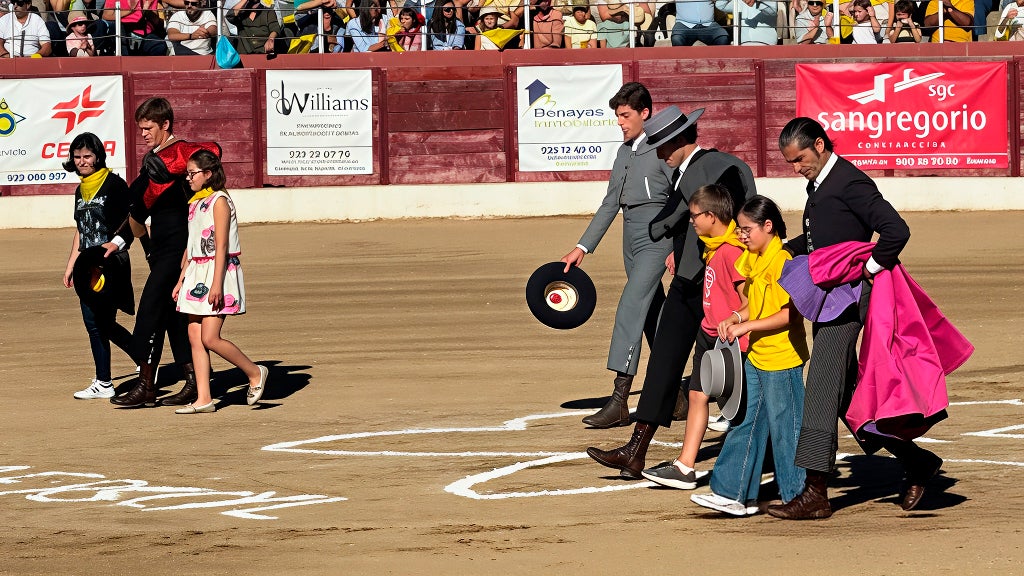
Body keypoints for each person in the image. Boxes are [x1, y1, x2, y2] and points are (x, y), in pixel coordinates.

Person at [767, 117, 942, 519]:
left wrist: (870, 270)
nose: (797, 168)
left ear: (820, 144)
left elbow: (895, 230)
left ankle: (815, 492)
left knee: (821, 388)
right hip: (830, 297)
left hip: (846, 300)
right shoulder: (825, 183)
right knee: (845, 396)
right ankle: (915, 461)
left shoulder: (850, 181)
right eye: (791, 163)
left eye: (800, 159)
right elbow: (823, 240)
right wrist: (782, 249)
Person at [586, 105, 757, 479]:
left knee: (722, 369)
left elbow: (670, 222)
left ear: (681, 140)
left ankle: (754, 451)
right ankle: (636, 450)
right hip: (696, 279)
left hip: (718, 283)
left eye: (663, 145)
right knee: (672, 360)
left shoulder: (706, 170)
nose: (659, 153)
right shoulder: (721, 166)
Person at [562, 82, 674, 430]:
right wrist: (583, 246)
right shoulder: (624, 152)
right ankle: (676, 396)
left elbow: (683, 199)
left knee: (629, 308)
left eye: (625, 115)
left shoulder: (663, 149)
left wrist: (678, 246)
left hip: (657, 238)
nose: (621, 122)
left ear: (645, 113)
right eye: (617, 116)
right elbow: (611, 202)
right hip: (631, 238)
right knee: (653, 316)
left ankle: (620, 399)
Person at [690, 195, 809, 516]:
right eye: (740, 230)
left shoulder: (783, 262)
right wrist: (737, 318)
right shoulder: (754, 258)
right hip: (757, 354)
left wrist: (747, 325)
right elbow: (750, 305)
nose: (741, 236)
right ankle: (732, 492)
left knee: (787, 428)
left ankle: (797, 494)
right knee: (744, 420)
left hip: (783, 358)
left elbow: (789, 316)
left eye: (747, 230)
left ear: (767, 226)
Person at [103, 97, 222, 409]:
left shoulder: (178, 151)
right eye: (140, 128)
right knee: (172, 317)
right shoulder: (152, 158)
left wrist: (172, 167)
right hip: (159, 246)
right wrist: (117, 242)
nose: (142, 133)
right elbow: (138, 208)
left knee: (150, 312)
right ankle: (193, 379)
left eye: (148, 127)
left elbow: (212, 152)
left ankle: (146, 384)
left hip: (179, 245)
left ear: (165, 124)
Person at [639, 184, 747, 490]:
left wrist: (735, 321)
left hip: (731, 342)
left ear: (712, 216)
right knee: (698, 395)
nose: (691, 221)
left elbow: (749, 301)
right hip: (708, 334)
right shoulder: (712, 246)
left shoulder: (732, 252)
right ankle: (685, 466)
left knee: (741, 407)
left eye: (695, 215)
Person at [171, 150, 268, 414]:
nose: (188, 178)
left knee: (210, 337)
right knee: (194, 336)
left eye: (192, 173)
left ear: (208, 174)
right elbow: (190, 247)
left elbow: (222, 245)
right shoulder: (195, 202)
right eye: (187, 174)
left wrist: (216, 285)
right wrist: (181, 280)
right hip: (195, 273)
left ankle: (255, 372)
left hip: (217, 272)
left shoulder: (220, 201)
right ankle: (204, 398)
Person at [62, 133, 136, 400]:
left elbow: (132, 220)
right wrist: (71, 264)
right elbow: (80, 231)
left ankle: (105, 381)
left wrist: (114, 246)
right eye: (77, 156)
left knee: (99, 323)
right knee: (99, 323)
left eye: (87, 156)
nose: (82, 161)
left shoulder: (114, 184)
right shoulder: (80, 190)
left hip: (109, 263)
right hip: (86, 264)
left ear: (98, 157)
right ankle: (141, 357)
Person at [102, 0, 167, 56]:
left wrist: (147, 11)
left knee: (160, 45)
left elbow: (156, 22)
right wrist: (130, 10)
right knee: (120, 32)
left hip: (146, 34)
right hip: (124, 31)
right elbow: (106, 16)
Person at [714, 0, 778, 45]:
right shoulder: (737, 2)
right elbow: (720, 5)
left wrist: (757, 1)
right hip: (744, 43)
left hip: (765, 42)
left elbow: (772, 11)